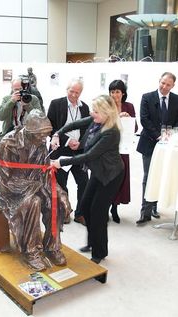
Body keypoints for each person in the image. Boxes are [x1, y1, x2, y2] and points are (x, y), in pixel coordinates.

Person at [0, 110, 71, 271]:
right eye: (39, 135)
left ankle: (52, 246)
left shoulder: (40, 144)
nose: (43, 139)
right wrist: (36, 187)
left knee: (55, 199)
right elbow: (5, 181)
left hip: (34, 183)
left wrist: (60, 193)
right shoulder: (8, 143)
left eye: (45, 135)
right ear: (28, 131)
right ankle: (31, 251)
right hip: (8, 189)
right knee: (33, 202)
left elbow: (45, 173)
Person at [50, 95, 124, 264]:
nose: (92, 113)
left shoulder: (111, 132)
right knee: (84, 208)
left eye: (96, 111)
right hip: (98, 172)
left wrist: (61, 162)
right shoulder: (96, 120)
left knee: (97, 212)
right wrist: (57, 134)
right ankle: (93, 242)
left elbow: (89, 155)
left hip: (110, 176)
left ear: (107, 113)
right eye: (92, 110)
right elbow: (72, 125)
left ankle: (99, 252)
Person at [136, 72, 178, 225]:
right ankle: (145, 212)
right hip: (149, 143)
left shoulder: (176, 100)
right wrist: (158, 136)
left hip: (168, 145)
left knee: (161, 175)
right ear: (159, 81)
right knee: (148, 176)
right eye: (163, 83)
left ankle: (154, 206)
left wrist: (170, 135)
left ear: (173, 85)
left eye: (168, 84)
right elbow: (144, 120)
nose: (164, 86)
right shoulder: (147, 97)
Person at [47, 78, 90, 225]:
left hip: (78, 151)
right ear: (67, 90)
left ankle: (81, 213)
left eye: (77, 92)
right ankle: (64, 211)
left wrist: (80, 144)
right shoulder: (56, 104)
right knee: (60, 184)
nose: (73, 95)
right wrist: (67, 141)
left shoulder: (84, 108)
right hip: (60, 150)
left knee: (84, 182)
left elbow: (87, 130)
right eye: (71, 91)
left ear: (81, 93)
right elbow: (49, 128)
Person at [108, 79, 138, 223]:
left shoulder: (129, 106)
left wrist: (129, 119)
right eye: (112, 92)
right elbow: (101, 126)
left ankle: (115, 207)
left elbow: (135, 128)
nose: (115, 95)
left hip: (124, 148)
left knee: (121, 178)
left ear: (123, 93)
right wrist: (117, 119)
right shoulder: (106, 106)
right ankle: (105, 205)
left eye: (117, 92)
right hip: (108, 149)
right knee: (108, 178)